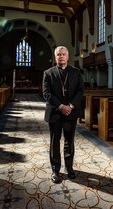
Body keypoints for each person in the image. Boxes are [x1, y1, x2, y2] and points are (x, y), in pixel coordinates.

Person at [42, 46, 84, 183]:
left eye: (63, 54)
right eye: (58, 54)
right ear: (55, 57)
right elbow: (46, 93)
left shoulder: (76, 72)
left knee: (69, 141)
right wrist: (61, 107)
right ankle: (55, 170)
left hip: (71, 113)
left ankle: (69, 168)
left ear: (68, 56)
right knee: (55, 142)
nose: (61, 56)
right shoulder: (48, 73)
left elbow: (80, 91)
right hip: (55, 112)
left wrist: (70, 106)